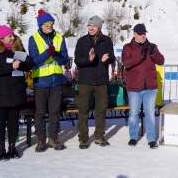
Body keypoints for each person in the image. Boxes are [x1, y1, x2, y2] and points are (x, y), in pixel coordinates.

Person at [0, 25, 34, 161]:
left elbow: (29, 64)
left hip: (15, 94)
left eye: (12, 35)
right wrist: (10, 66)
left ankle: (12, 148)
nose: (13, 37)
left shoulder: (16, 50)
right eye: (9, 36)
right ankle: (1, 149)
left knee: (13, 124)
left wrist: (20, 64)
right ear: (1, 38)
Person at [28, 9, 69, 152]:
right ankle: (40, 140)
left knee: (55, 112)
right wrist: (47, 53)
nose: (49, 26)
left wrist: (55, 54)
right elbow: (34, 62)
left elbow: (64, 59)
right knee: (40, 112)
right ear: (40, 25)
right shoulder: (33, 38)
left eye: (51, 23)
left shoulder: (59, 37)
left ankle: (53, 138)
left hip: (56, 81)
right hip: (41, 82)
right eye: (46, 24)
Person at [74, 15, 115, 149]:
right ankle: (83, 138)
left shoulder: (107, 41)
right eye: (89, 25)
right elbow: (77, 61)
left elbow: (112, 57)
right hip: (85, 81)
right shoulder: (82, 41)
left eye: (94, 26)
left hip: (101, 82)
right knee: (83, 110)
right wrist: (89, 59)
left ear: (99, 27)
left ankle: (99, 136)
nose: (91, 28)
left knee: (101, 110)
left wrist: (106, 60)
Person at [122, 23, 164, 149]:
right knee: (134, 113)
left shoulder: (152, 47)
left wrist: (153, 54)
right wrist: (140, 55)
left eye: (144, 34)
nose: (143, 36)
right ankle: (133, 137)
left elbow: (161, 61)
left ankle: (151, 139)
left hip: (150, 87)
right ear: (134, 34)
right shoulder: (128, 47)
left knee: (150, 113)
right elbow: (126, 63)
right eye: (140, 34)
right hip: (134, 87)